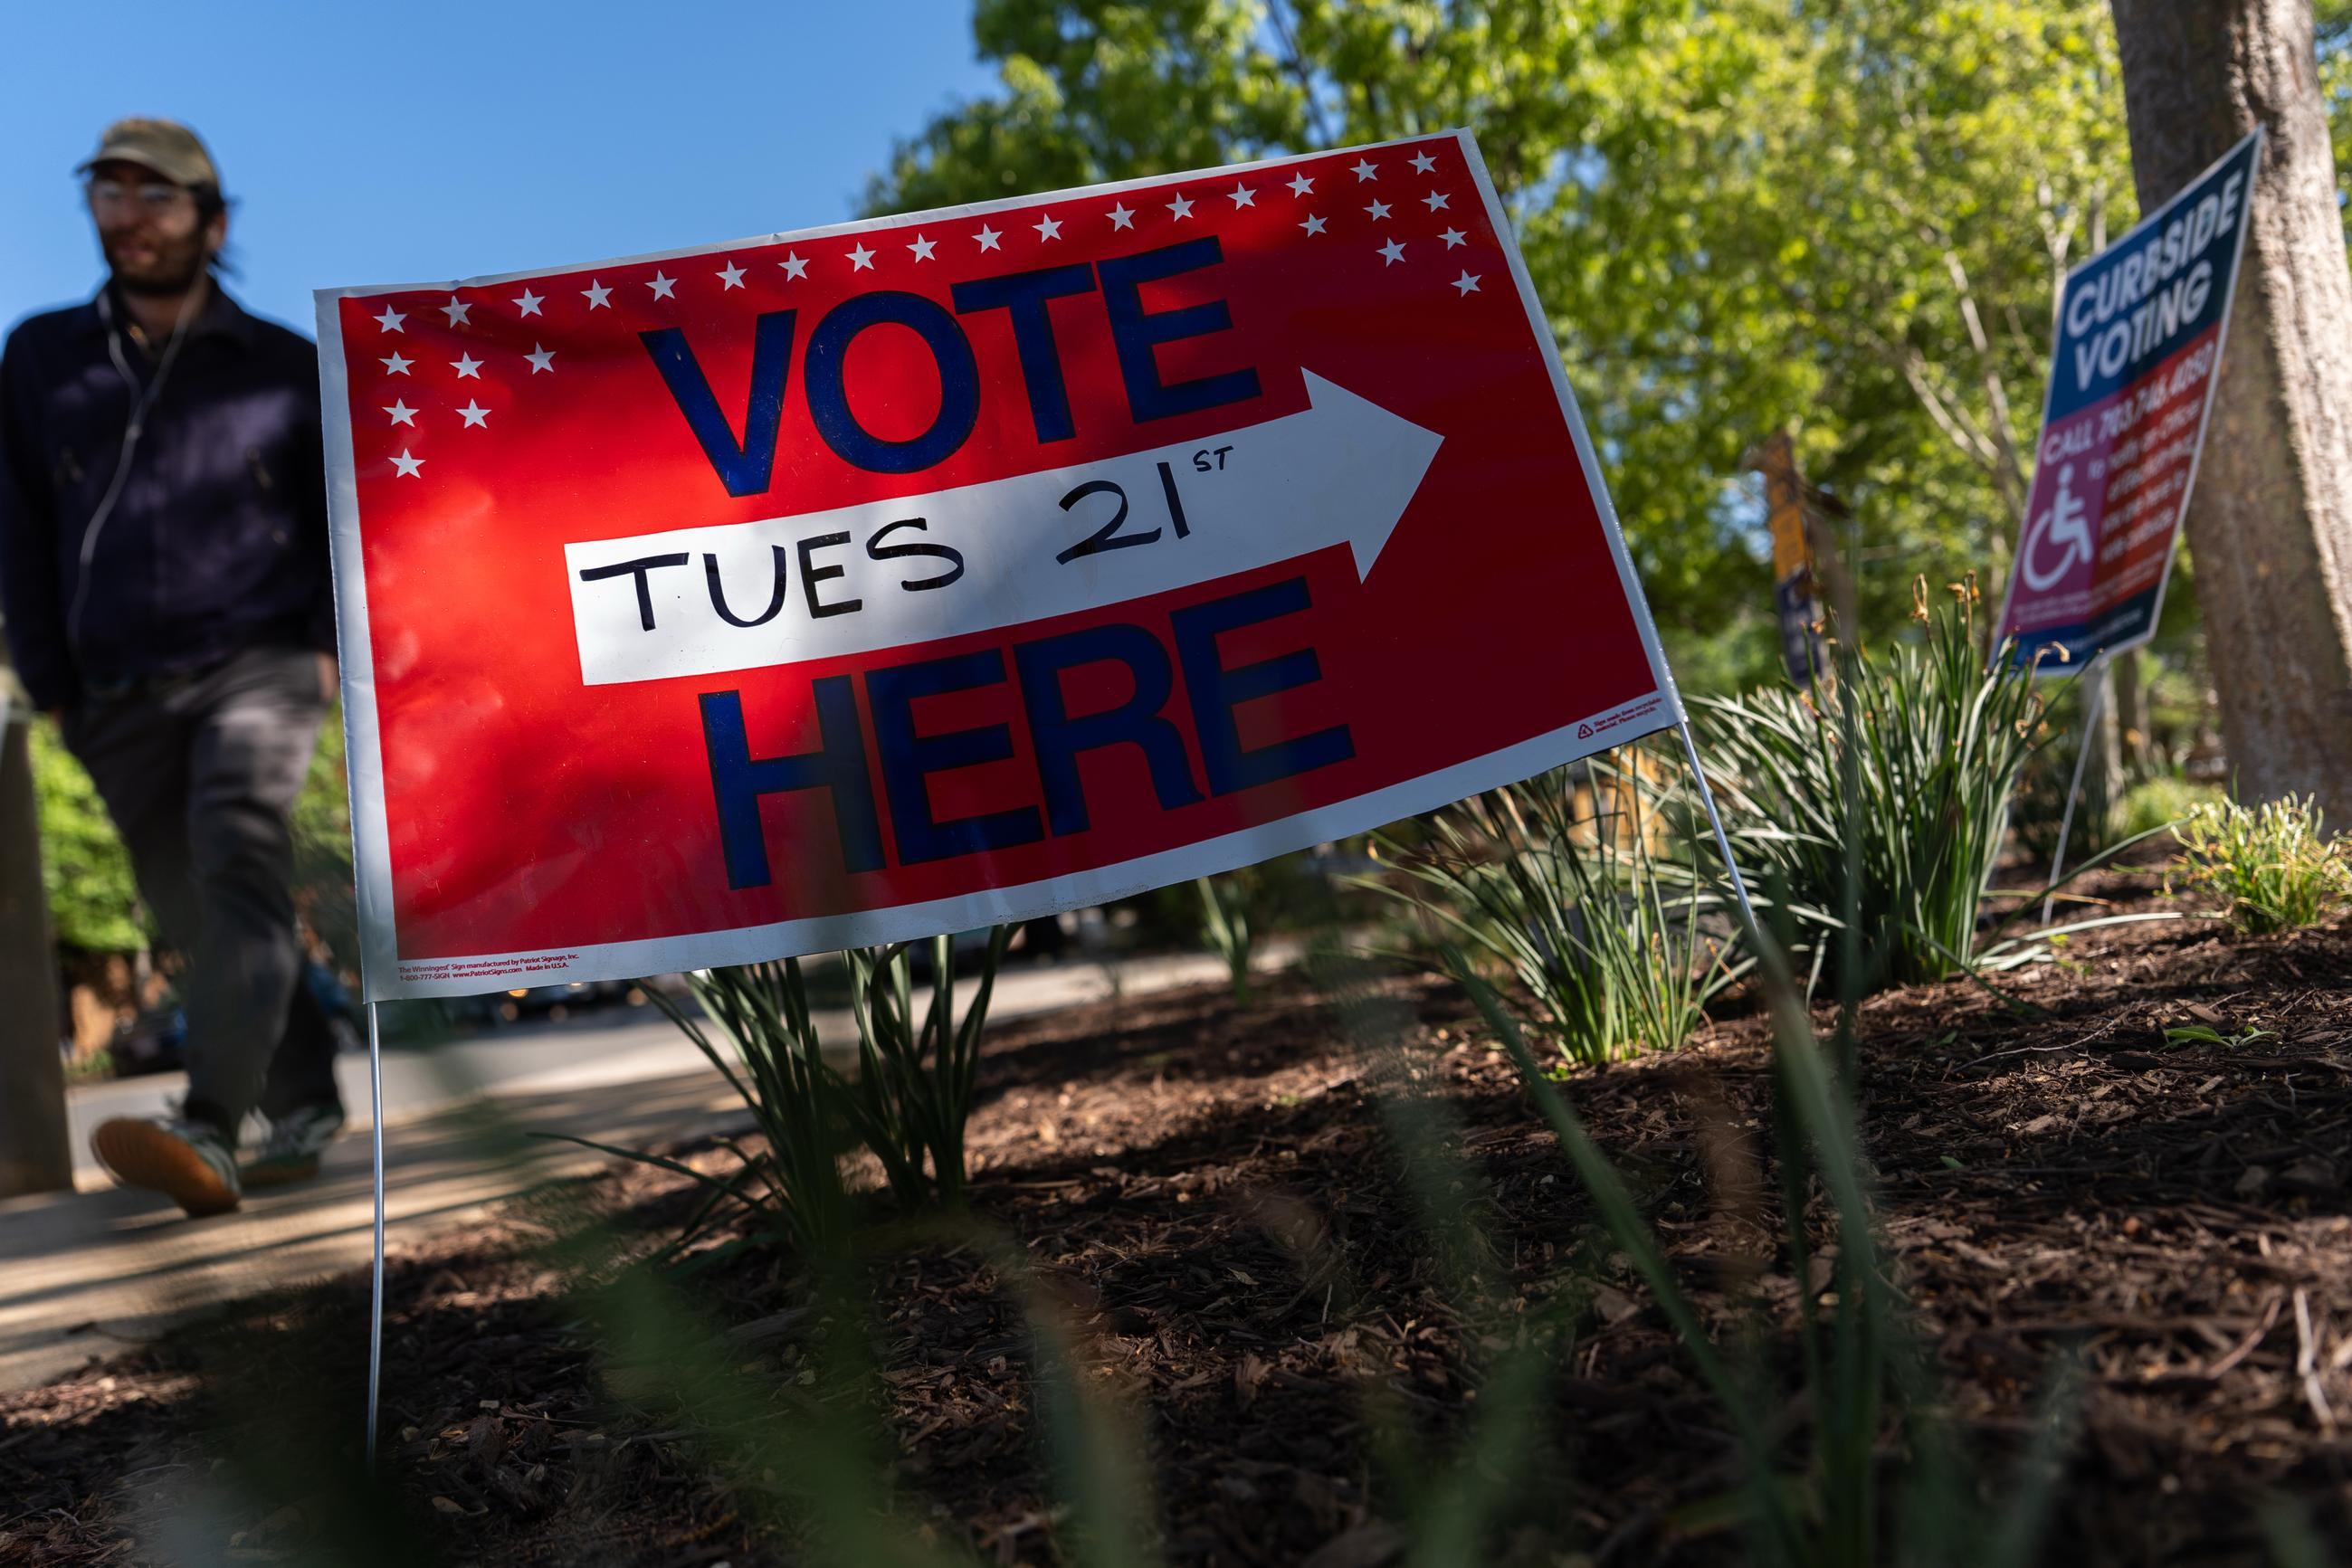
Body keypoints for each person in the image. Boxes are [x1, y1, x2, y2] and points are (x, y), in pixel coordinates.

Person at [0, 118, 346, 1216]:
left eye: (157, 196)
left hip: (260, 665)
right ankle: (307, 1098)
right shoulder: (39, 356)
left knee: (235, 855)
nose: (130, 215)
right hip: (109, 691)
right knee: (190, 905)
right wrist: (49, 681)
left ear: (212, 219)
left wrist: (332, 650)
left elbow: (340, 521)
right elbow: (17, 527)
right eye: (110, 193)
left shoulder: (287, 368)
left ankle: (208, 1126)